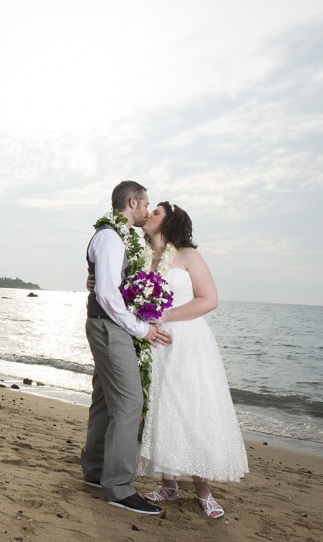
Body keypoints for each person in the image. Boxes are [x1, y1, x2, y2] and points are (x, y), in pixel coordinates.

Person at [136, 201, 248, 518]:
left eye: (156, 212)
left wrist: (165, 315)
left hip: (188, 341)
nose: (149, 215)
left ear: (170, 222)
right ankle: (168, 484)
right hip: (153, 340)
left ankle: (203, 491)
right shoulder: (144, 258)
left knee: (192, 407)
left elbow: (209, 300)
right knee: (160, 404)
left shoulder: (187, 256)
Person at [81, 180, 171, 516]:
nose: (148, 211)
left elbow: (104, 284)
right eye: (146, 204)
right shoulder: (110, 236)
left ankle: (94, 472)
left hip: (105, 323)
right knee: (130, 401)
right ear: (133, 202)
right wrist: (141, 328)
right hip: (109, 326)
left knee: (105, 398)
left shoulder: (113, 236)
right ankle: (119, 487)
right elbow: (106, 293)